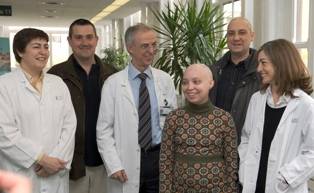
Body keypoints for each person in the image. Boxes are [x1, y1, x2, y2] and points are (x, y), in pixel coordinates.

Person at [96, 23, 177, 193]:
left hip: (158, 158)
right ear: (130, 48)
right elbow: (103, 131)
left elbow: (172, 123)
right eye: (145, 46)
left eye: (154, 45)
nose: (151, 50)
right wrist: (114, 165)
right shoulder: (113, 84)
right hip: (126, 160)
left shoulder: (165, 80)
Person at [0, 28, 76, 193]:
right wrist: (41, 158)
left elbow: (69, 125)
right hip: (22, 173)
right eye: (36, 46)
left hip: (56, 171)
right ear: (20, 51)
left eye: (46, 46)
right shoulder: (4, 85)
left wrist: (55, 161)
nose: (43, 52)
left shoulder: (57, 83)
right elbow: (4, 133)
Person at [48, 19, 116, 193]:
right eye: (78, 38)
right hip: (72, 164)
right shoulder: (56, 75)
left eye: (89, 37)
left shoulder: (113, 74)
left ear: (96, 40)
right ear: (70, 41)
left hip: (106, 162)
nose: (84, 42)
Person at [238, 39, 314, 193]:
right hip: (253, 185)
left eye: (263, 63)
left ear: (280, 63)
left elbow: (312, 153)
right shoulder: (256, 99)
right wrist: (244, 169)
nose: (258, 69)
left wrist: (286, 178)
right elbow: (246, 138)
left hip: (285, 188)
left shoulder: (305, 105)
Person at [159, 64, 238, 193]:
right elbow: (166, 161)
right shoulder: (174, 118)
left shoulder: (224, 119)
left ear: (211, 83)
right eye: (185, 83)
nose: (190, 87)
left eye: (196, 82)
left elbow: (231, 163)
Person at [209, 17, 260, 141]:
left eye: (242, 32)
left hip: (249, 147)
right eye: (231, 33)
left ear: (252, 36)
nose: (236, 38)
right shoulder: (214, 70)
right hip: (216, 146)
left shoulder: (261, 71)